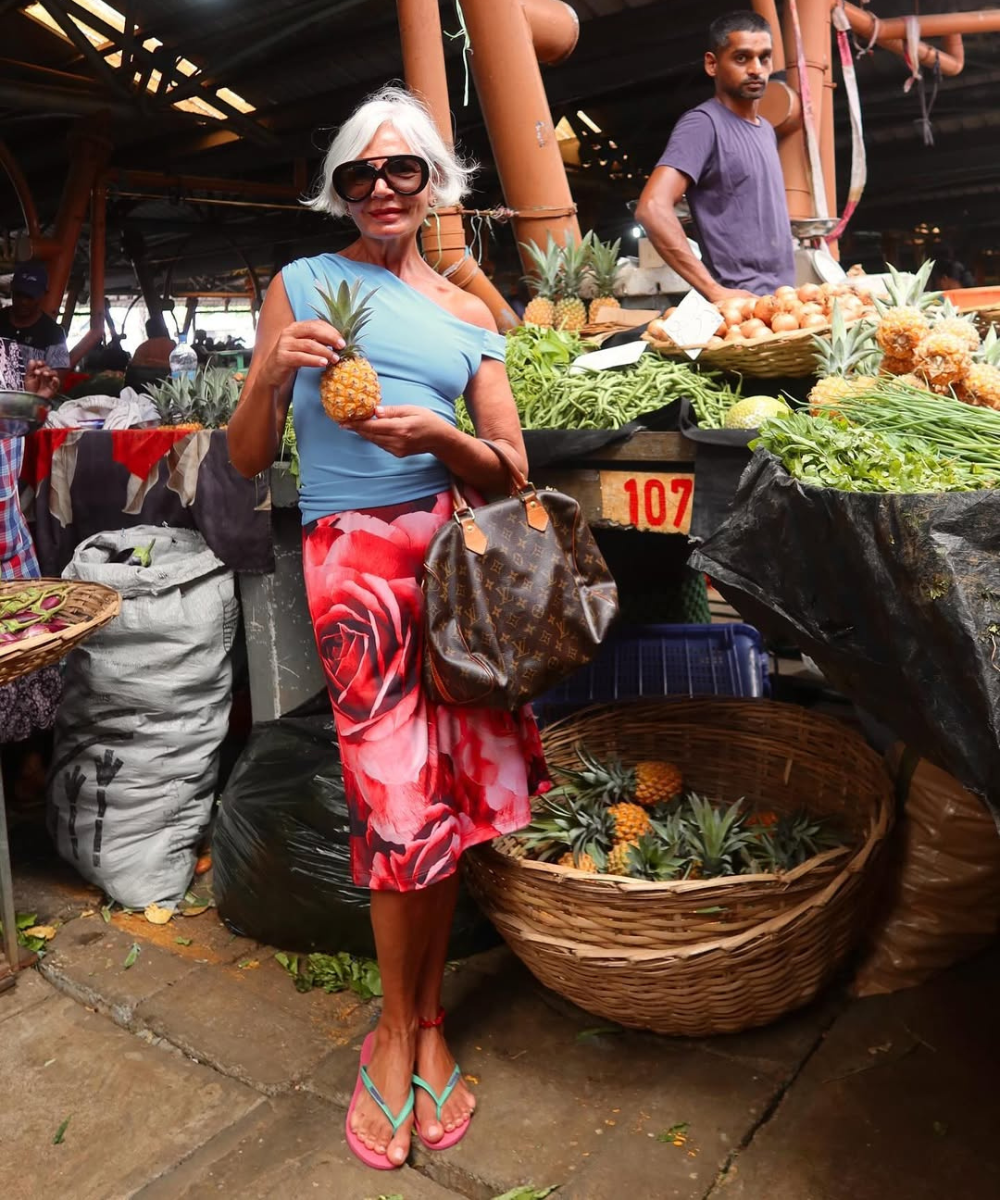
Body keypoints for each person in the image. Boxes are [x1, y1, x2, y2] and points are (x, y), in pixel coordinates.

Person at [227, 86, 547, 1171]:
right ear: (339, 190)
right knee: (393, 803)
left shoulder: (471, 317)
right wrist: (269, 371)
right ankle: (397, 1025)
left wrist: (443, 440)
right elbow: (242, 459)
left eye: (400, 169)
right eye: (359, 174)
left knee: (439, 802)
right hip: (352, 568)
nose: (380, 190)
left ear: (434, 184)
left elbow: (514, 472)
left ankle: (428, 1019)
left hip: (450, 565)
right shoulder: (302, 286)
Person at [635, 10, 796, 302]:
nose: (756, 69)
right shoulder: (703, 124)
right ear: (712, 64)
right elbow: (651, 208)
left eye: (764, 57)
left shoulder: (766, 132)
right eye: (741, 58)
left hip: (780, 303)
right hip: (740, 312)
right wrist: (714, 291)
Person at [0, 262, 70, 387]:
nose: (23, 302)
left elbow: (57, 377)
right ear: (11, 289)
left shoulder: (53, 333)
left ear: (43, 294)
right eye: (18, 294)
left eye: (30, 296)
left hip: (31, 402)